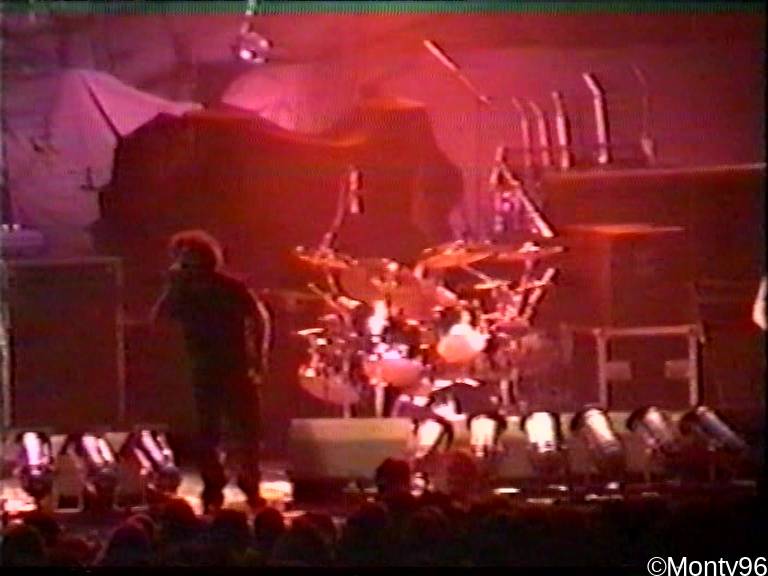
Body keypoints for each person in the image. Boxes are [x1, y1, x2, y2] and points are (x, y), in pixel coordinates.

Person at [151, 230, 272, 511]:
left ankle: (249, 484)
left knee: (246, 430)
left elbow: (259, 317)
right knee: (208, 432)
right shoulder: (182, 291)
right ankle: (214, 488)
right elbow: (157, 320)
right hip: (202, 368)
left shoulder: (230, 287)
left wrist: (259, 355)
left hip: (234, 365)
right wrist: (172, 287)